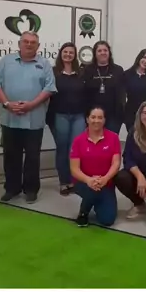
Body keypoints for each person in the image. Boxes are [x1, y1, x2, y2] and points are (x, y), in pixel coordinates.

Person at [0, 31, 57, 203]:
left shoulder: (44, 64)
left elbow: (49, 88)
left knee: (33, 157)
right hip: (9, 118)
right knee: (11, 156)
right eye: (25, 41)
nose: (29, 44)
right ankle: (12, 188)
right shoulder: (6, 61)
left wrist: (31, 105)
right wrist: (7, 104)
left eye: (33, 42)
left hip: (34, 119)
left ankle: (31, 190)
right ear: (19, 44)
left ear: (38, 46)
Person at [69, 107, 121, 228]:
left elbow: (116, 163)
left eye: (100, 118)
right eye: (93, 117)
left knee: (107, 220)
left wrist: (105, 179)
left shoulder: (113, 138)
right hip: (84, 183)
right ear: (87, 119)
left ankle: (96, 200)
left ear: (104, 120)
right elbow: (74, 169)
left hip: (106, 183)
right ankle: (83, 212)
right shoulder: (78, 140)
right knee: (92, 189)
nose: (96, 121)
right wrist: (89, 180)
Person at [48, 42, 86, 195]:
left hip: (79, 115)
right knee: (62, 149)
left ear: (75, 55)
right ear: (61, 53)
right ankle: (64, 182)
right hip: (60, 115)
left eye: (71, 52)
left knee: (75, 150)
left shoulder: (81, 72)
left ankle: (74, 181)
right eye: (65, 52)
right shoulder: (53, 72)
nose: (68, 55)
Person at [82, 41, 124, 134]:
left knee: (110, 141)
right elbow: (85, 93)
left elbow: (121, 93)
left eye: (105, 50)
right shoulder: (88, 70)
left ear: (109, 52)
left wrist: (120, 114)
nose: (103, 53)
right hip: (94, 115)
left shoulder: (118, 70)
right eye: (99, 51)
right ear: (95, 53)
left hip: (113, 116)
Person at [123, 48, 146, 132]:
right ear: (139, 58)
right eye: (144, 57)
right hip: (131, 114)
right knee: (133, 137)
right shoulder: (127, 74)